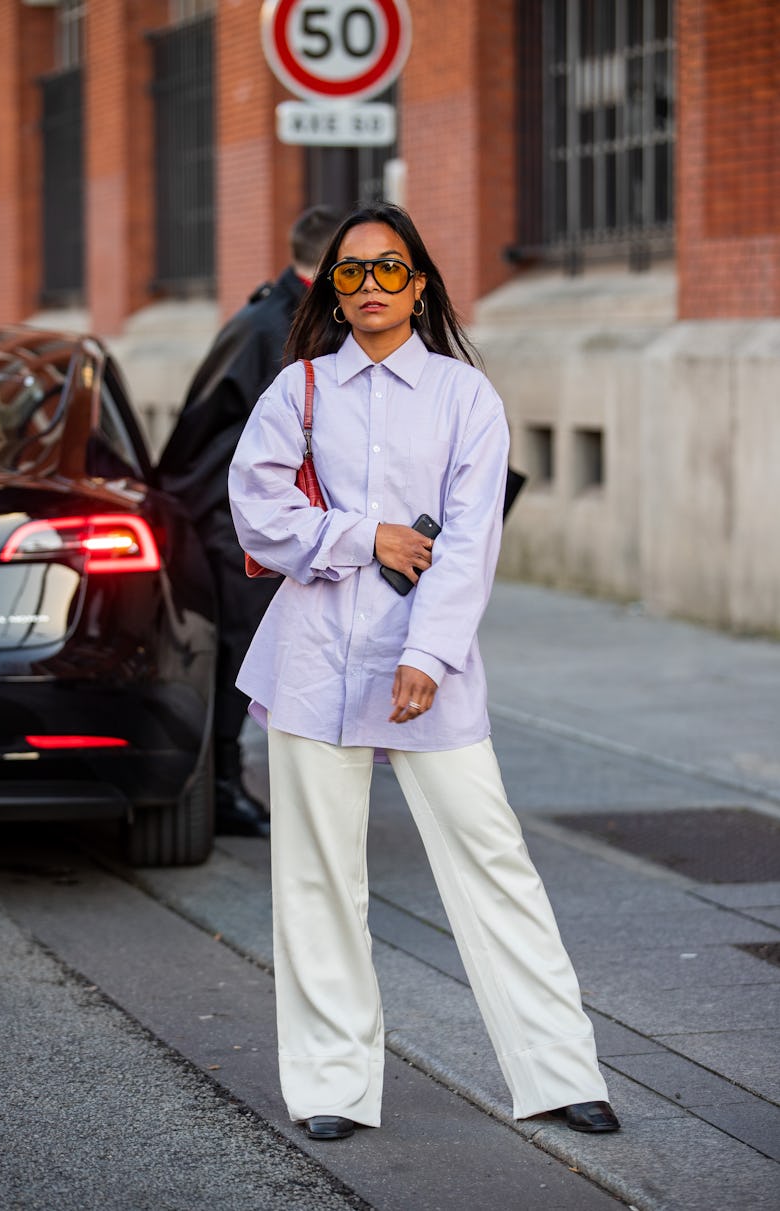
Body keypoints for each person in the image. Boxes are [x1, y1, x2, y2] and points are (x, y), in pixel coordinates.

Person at [228, 203, 620, 1141]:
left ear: (421, 282)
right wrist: (364, 534)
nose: (370, 286)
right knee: (318, 877)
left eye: (388, 269)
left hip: (427, 667)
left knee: (492, 859)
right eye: (351, 272)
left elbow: (473, 538)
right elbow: (256, 511)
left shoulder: (464, 397)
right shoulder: (298, 391)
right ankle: (331, 1085)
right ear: (330, 287)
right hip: (315, 658)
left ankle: (562, 1070)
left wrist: (427, 654)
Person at [158, 204, 341, 837]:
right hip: (241, 523)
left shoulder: (288, 319)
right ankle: (220, 787)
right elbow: (211, 434)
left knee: (256, 650)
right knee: (241, 650)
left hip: (251, 518)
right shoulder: (277, 325)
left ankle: (230, 783)